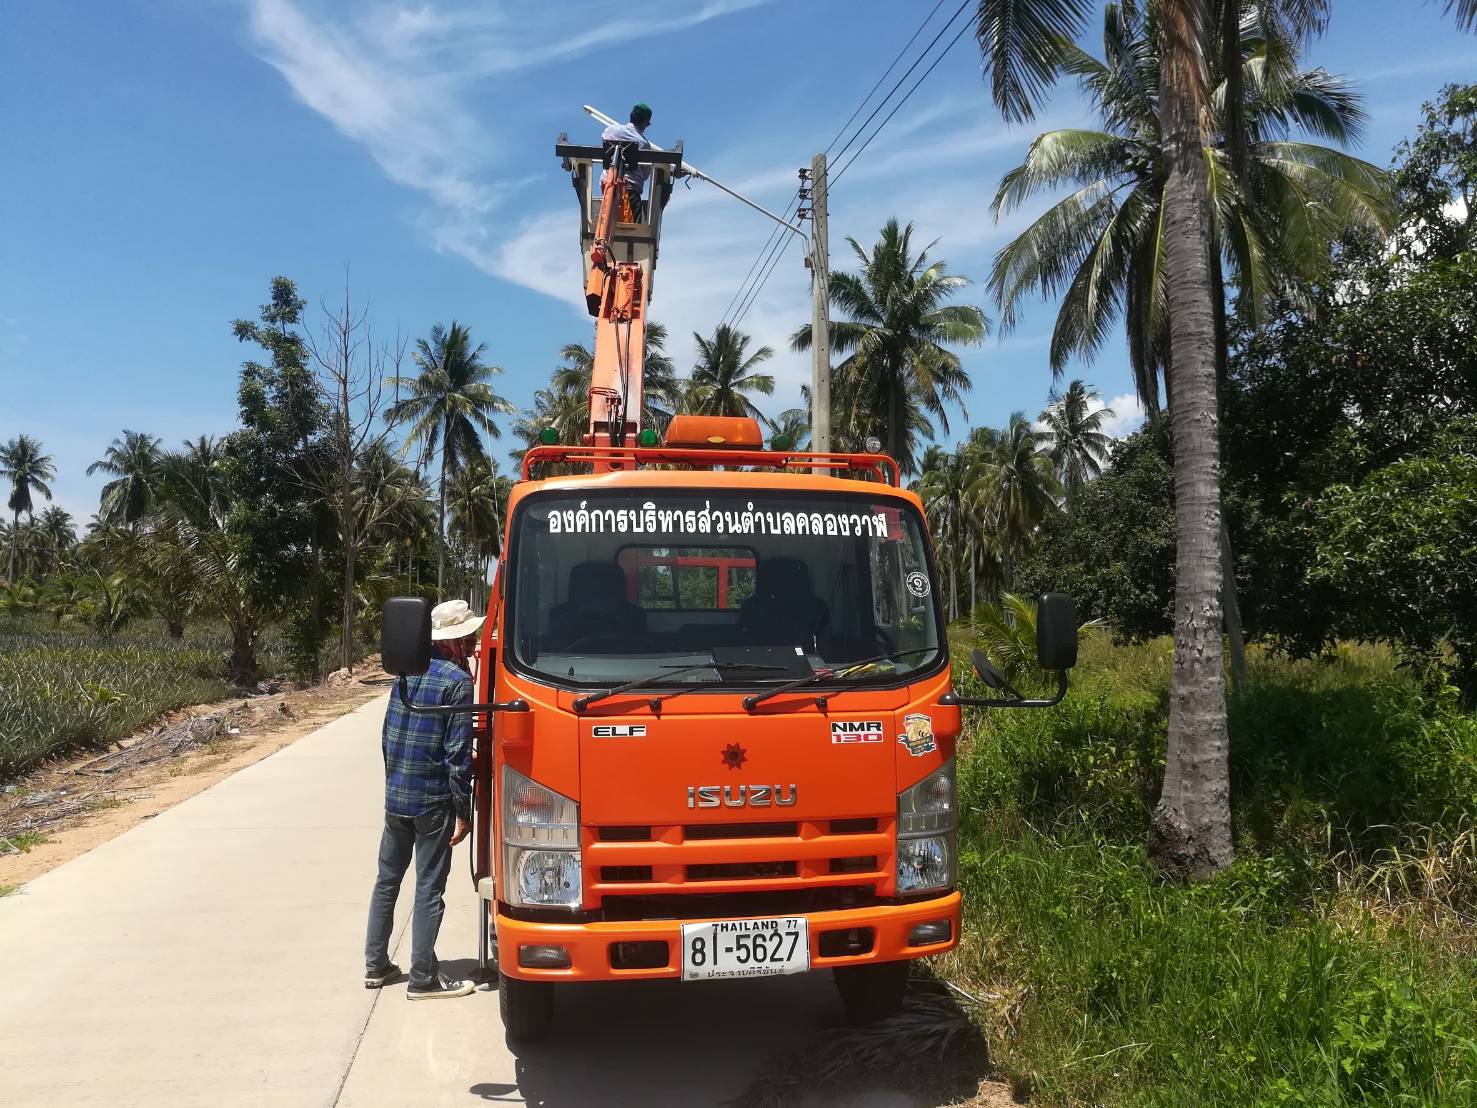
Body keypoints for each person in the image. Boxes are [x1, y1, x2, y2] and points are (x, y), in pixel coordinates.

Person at [363, 598, 482, 1000]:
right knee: (429, 888)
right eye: (467, 637)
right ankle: (423, 979)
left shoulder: (407, 674)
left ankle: (376, 966)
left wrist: (394, 782)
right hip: (433, 802)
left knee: (387, 881)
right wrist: (463, 810)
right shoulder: (456, 682)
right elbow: (457, 755)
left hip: (397, 796)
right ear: (453, 641)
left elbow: (387, 738)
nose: (472, 643)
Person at [601, 101, 655, 221]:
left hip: (608, 186)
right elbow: (645, 175)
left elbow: (604, 141)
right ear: (645, 123)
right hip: (630, 190)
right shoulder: (643, 143)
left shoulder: (610, 130)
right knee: (634, 226)